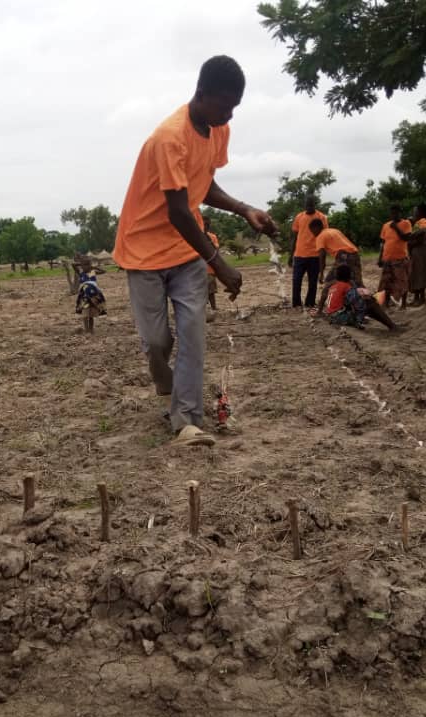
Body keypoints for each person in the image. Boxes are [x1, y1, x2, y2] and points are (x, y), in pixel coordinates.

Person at [113, 55, 277, 447]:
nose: (229, 116)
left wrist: (244, 209)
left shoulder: (218, 129)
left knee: (192, 334)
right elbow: (178, 211)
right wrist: (218, 263)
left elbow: (203, 186)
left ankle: (186, 420)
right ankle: (165, 385)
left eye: (235, 108)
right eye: (224, 106)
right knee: (156, 343)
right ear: (200, 95)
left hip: (185, 253)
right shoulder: (169, 137)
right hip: (143, 251)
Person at [324, 264, 401, 331]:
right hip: (339, 317)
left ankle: (390, 324)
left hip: (331, 316)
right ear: (349, 275)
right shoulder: (345, 286)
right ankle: (391, 325)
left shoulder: (333, 286)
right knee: (370, 303)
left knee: (368, 305)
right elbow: (356, 301)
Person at [309, 219, 364, 311]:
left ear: (317, 227)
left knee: (330, 282)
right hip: (354, 255)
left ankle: (320, 310)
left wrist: (321, 273)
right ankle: (365, 307)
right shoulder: (334, 230)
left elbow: (322, 256)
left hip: (343, 256)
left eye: (312, 230)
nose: (312, 233)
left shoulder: (320, 236)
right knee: (357, 283)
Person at [290, 194, 328, 309]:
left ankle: (310, 303)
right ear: (304, 205)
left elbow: (325, 236)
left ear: (314, 204)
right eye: (307, 205)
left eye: (311, 205)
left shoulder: (321, 217)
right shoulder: (299, 217)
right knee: (296, 281)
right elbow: (295, 236)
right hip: (299, 255)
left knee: (313, 282)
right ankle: (296, 303)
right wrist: (290, 255)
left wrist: (323, 257)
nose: (309, 207)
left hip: (315, 255)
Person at [377, 204, 412, 309]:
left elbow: (406, 238)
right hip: (387, 258)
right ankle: (386, 303)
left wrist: (396, 228)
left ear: (400, 212)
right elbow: (383, 243)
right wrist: (380, 258)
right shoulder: (385, 225)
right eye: (392, 212)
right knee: (386, 282)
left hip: (400, 258)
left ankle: (404, 304)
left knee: (402, 281)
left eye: (396, 212)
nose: (394, 214)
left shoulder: (406, 223)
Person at [407, 204, 426, 306]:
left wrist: (411, 235)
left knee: (420, 273)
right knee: (415, 274)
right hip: (415, 251)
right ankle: (416, 297)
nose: (413, 213)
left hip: (420, 251)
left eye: (415, 211)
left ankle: (421, 298)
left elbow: (424, 231)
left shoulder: (423, 221)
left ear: (420, 213)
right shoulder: (416, 223)